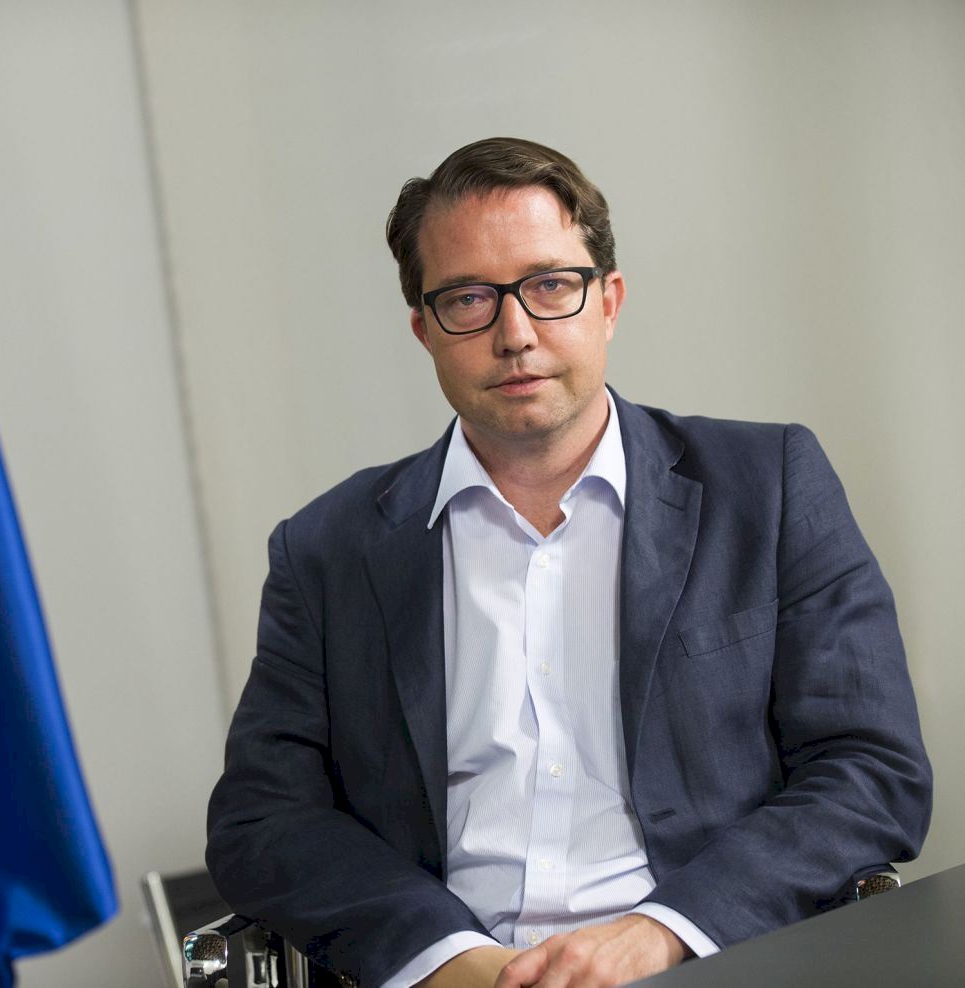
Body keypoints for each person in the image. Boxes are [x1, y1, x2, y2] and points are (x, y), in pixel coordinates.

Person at [206, 137, 932, 988]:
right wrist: (453, 960)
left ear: (608, 300)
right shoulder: (326, 549)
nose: (514, 334)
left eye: (550, 285)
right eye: (469, 299)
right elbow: (263, 819)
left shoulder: (767, 488)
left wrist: (662, 933)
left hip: (710, 960)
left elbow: (871, 771)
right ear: (424, 330)